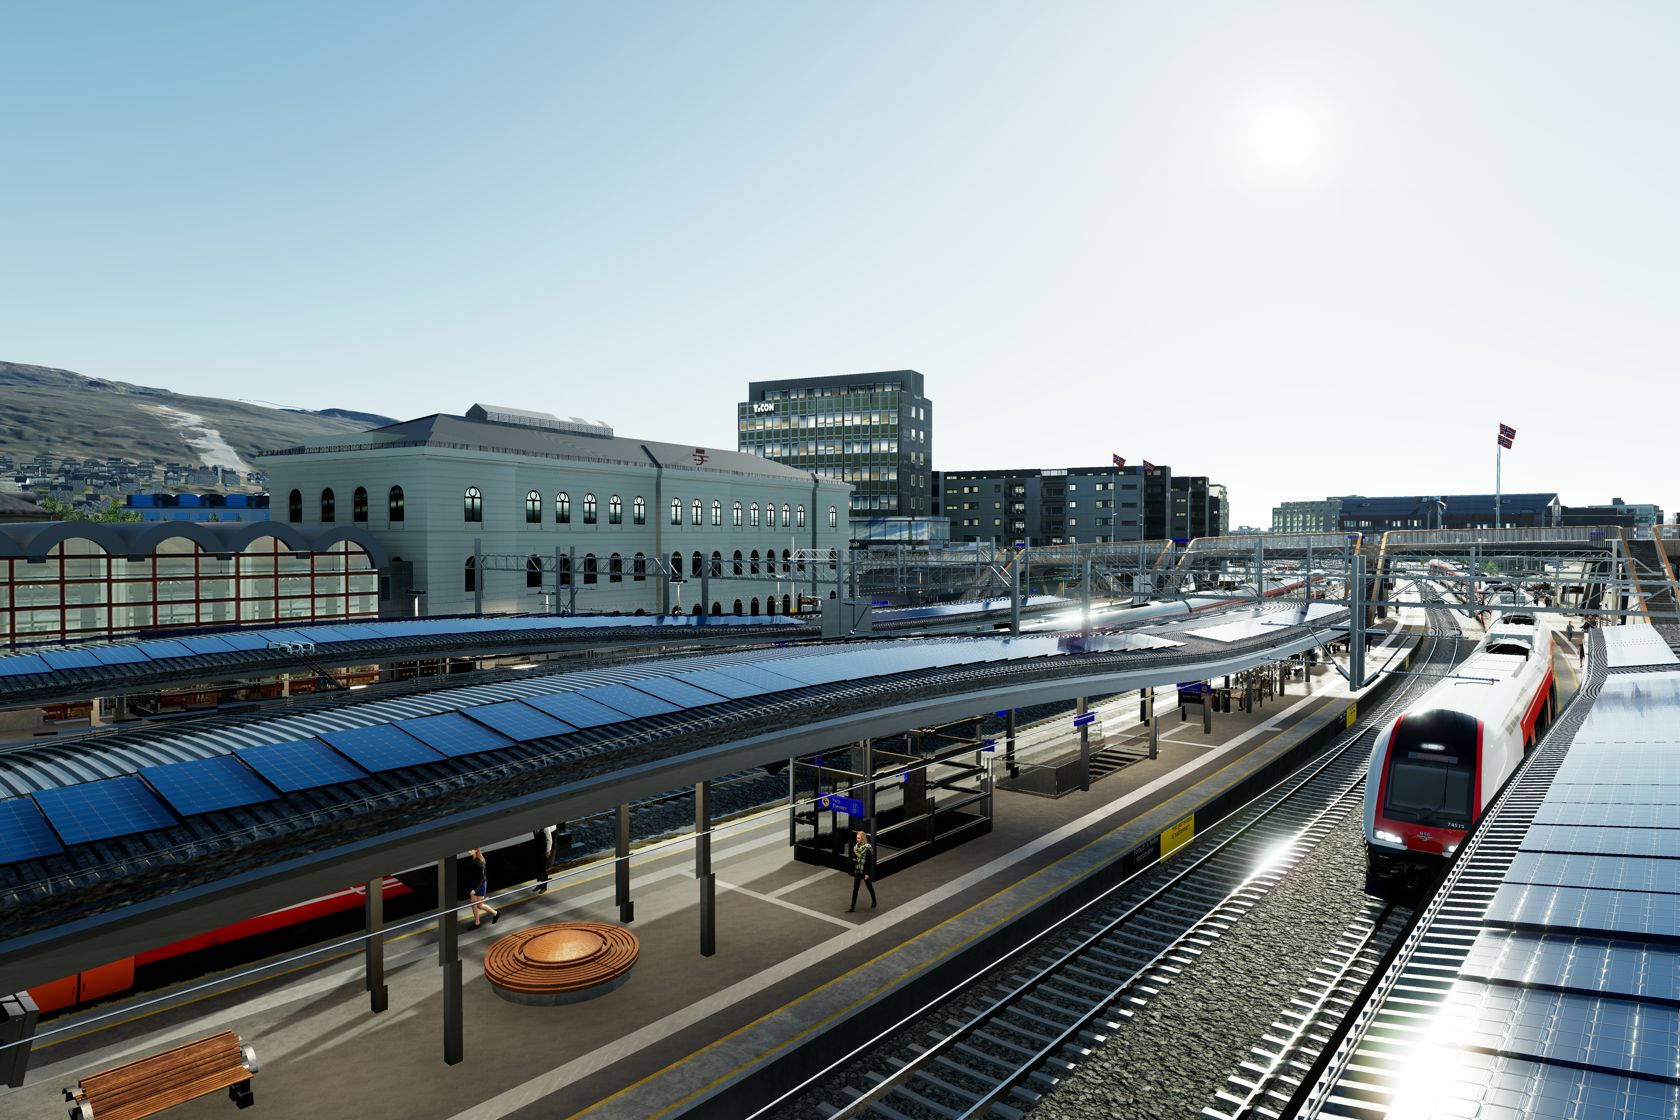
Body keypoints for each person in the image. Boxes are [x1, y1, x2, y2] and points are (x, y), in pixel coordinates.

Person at [467, 847, 499, 928]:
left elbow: (482, 878)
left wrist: (475, 889)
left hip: (480, 884)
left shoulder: (479, 862)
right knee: (473, 904)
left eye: (470, 849)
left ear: (475, 850)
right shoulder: (476, 858)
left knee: (479, 906)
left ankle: (495, 913)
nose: (468, 851)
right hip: (476, 882)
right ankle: (477, 923)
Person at [847, 830, 876, 913]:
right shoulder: (856, 847)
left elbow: (869, 862)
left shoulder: (867, 848)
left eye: (859, 838)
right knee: (855, 889)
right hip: (858, 870)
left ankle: (874, 901)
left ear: (863, 839)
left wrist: (867, 873)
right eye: (857, 838)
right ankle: (852, 907)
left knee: (869, 887)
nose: (857, 839)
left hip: (865, 872)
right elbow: (856, 857)